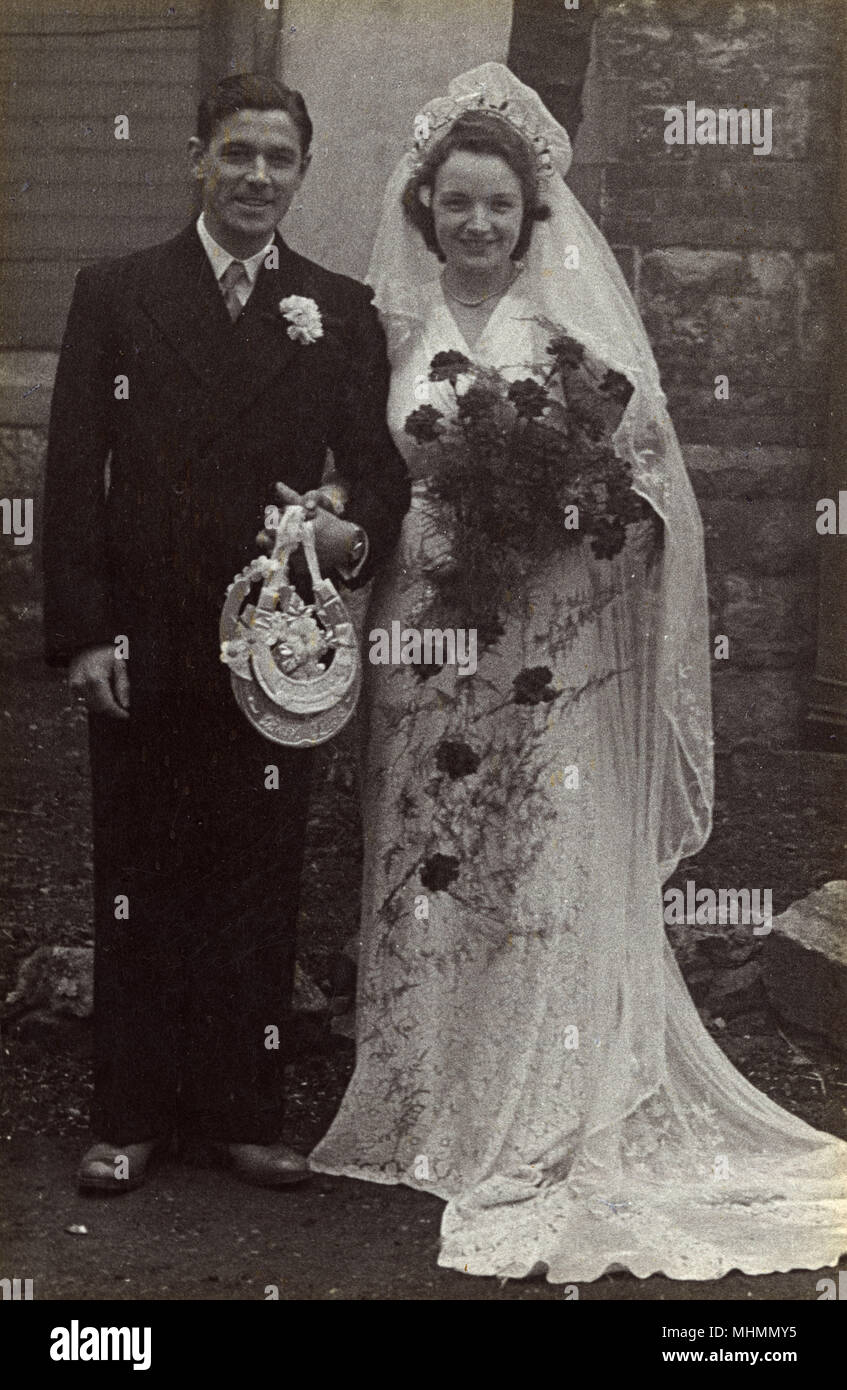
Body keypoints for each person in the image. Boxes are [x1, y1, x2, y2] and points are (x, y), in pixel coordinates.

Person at [310, 63, 847, 1281]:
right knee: (428, 845)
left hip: (544, 638)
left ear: (530, 214)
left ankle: (539, 1094)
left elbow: (649, 477)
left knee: (537, 851)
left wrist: (571, 493)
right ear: (425, 209)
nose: (479, 224)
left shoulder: (568, 337)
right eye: (458, 203)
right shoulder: (389, 330)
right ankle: (425, 1092)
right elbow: (356, 471)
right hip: (422, 630)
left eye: (499, 204)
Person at [42, 73, 410, 1193]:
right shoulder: (117, 291)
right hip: (146, 635)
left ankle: (242, 1111)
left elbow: (379, 479)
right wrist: (87, 635)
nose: (257, 177)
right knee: (139, 870)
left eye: (279, 159)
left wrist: (343, 535)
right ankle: (132, 1113)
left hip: (272, 641)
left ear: (303, 172)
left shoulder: (337, 309)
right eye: (237, 153)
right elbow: (71, 479)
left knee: (258, 871)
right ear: (198, 158)